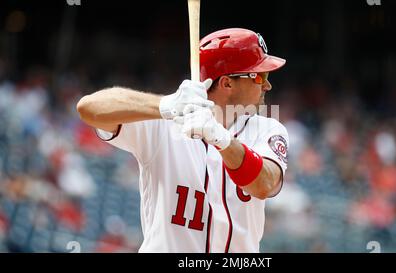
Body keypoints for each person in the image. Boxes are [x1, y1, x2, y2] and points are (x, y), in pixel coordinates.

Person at [76, 28, 289, 253]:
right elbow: (88, 108)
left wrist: (221, 139)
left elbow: (264, 184)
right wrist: (164, 106)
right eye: (259, 76)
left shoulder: (267, 129)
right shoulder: (163, 123)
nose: (267, 85)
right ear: (227, 83)